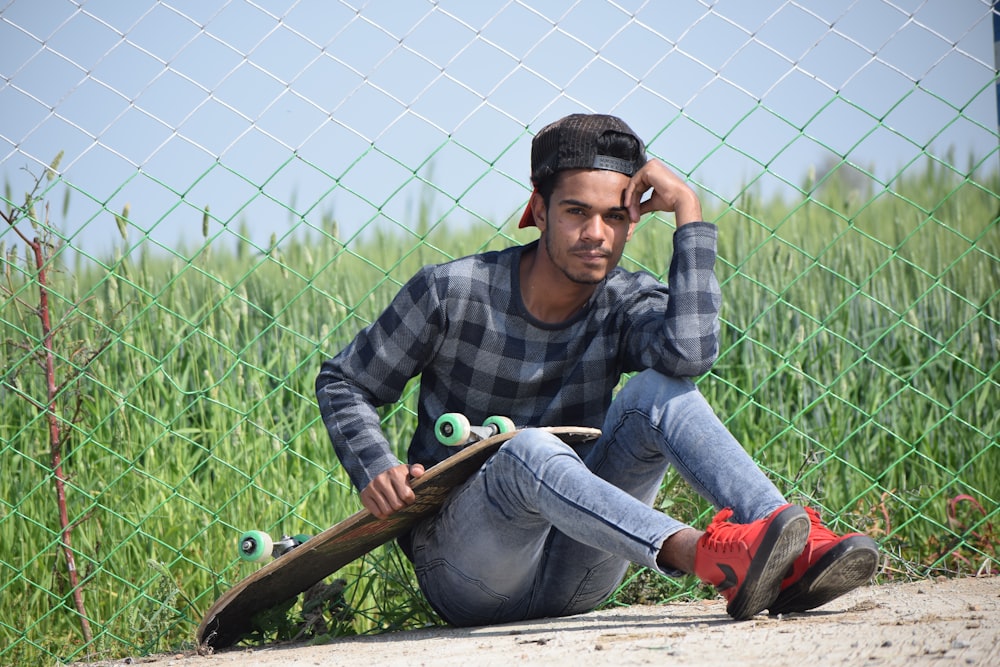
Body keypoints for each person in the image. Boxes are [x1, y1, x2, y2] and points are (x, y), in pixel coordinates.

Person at [315, 113, 878, 626]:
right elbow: (344, 381)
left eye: (615, 216)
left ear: (633, 222)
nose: (596, 235)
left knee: (659, 390)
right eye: (576, 212)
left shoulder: (624, 299)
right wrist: (374, 465)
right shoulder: (452, 292)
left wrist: (689, 210)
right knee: (529, 450)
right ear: (537, 210)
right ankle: (704, 556)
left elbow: (688, 357)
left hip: (580, 566)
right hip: (468, 571)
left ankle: (791, 550)